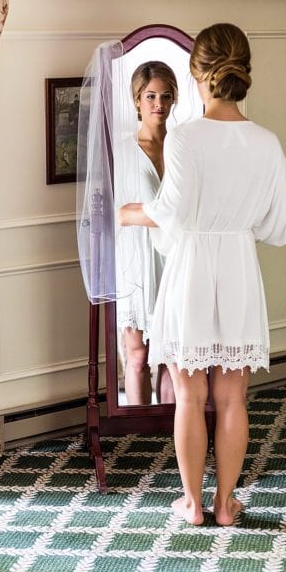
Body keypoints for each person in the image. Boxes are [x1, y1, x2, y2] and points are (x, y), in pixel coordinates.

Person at [118, 23, 286, 527]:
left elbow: (171, 214)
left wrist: (134, 212)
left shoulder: (183, 138)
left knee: (190, 396)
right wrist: (235, 224)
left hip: (191, 266)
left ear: (197, 74)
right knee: (232, 395)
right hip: (238, 266)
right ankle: (225, 504)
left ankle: (193, 505)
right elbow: (281, 227)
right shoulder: (266, 142)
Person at [117, 61, 177, 406]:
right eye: (151, 96)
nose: (159, 104)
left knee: (169, 353)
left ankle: (170, 427)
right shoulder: (123, 151)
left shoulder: (181, 147)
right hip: (136, 258)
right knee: (138, 355)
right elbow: (115, 213)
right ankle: (138, 437)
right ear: (137, 99)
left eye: (166, 96)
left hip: (174, 255)